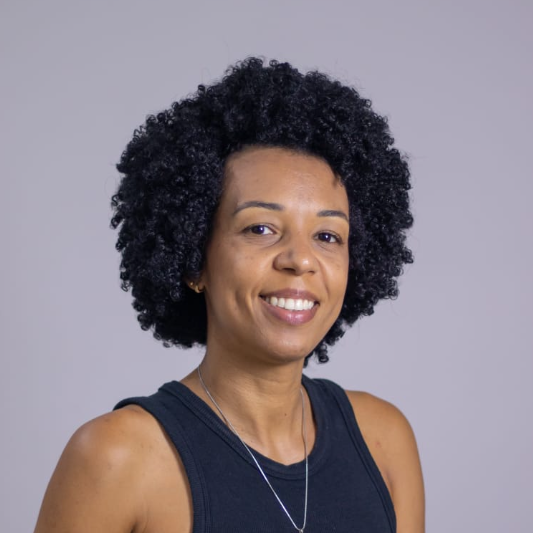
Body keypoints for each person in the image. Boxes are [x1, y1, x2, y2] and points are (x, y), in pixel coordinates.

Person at [35, 57, 425, 533]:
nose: (300, 260)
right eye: (260, 228)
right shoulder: (119, 459)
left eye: (327, 236)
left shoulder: (383, 441)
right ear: (195, 260)